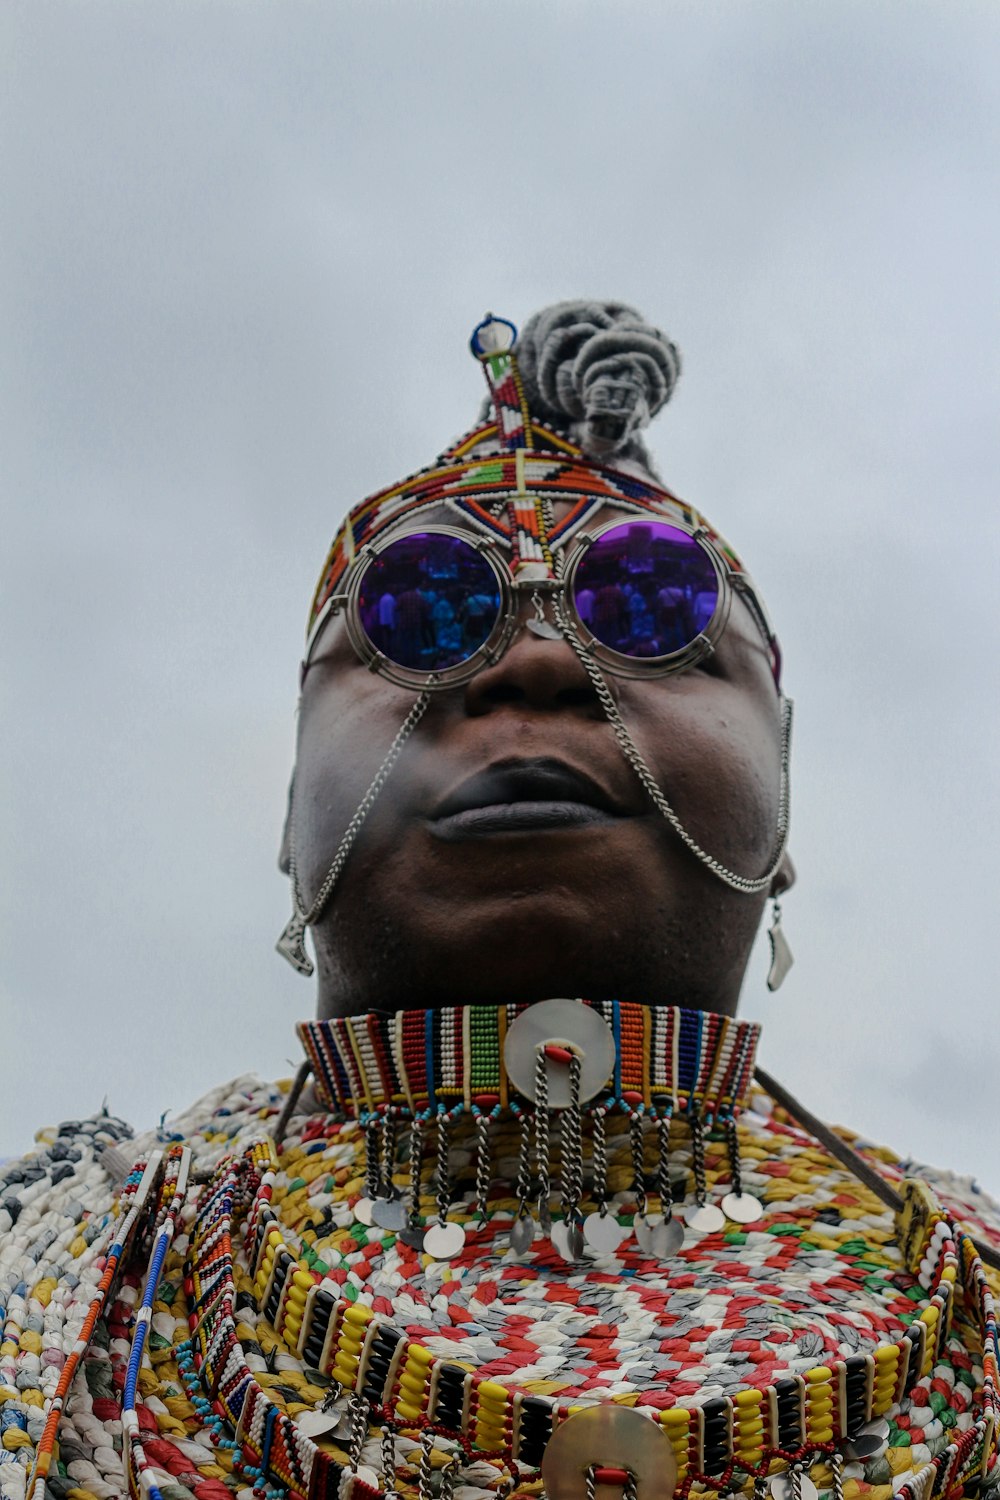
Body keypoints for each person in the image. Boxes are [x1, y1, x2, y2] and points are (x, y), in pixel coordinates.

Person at [3, 302, 998, 1500]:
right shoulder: (68, 1256)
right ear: (286, 812)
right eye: (421, 616)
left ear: (783, 794)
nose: (535, 662)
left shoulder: (967, 1282)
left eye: (646, 614)